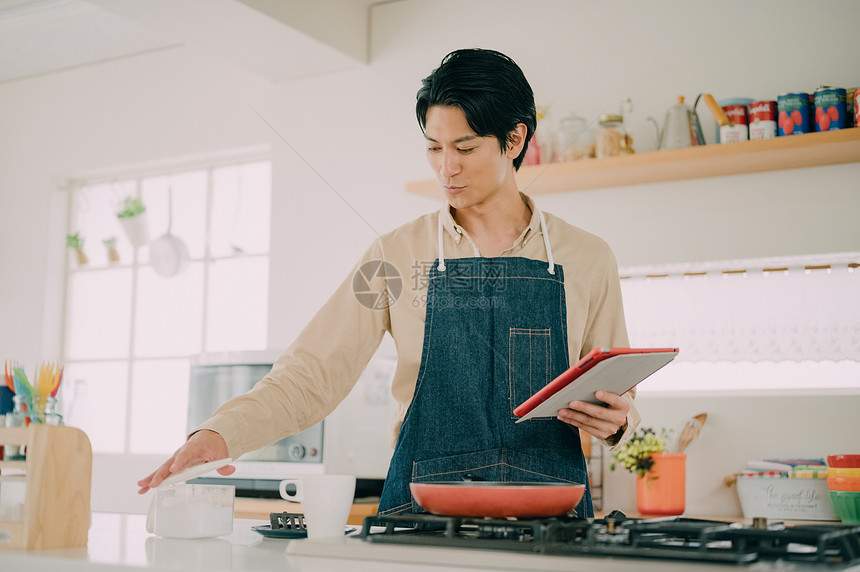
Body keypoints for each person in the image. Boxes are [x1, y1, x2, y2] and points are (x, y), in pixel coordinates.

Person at [138, 48, 639, 517]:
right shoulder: (394, 256)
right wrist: (221, 434)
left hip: (549, 517)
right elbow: (312, 372)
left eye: (464, 147)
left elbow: (619, 395)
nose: (447, 166)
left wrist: (617, 423)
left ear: (514, 140)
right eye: (434, 147)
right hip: (421, 514)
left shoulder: (588, 258)